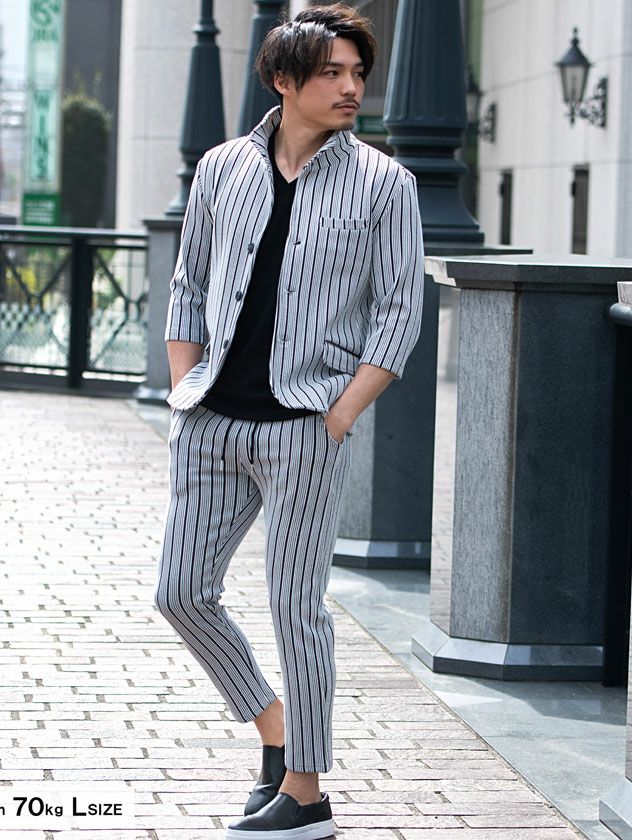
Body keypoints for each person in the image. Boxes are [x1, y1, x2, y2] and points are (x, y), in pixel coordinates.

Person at [154, 5, 424, 838]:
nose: (351, 88)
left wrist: (340, 414)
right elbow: (189, 284)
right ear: (283, 80)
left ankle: (306, 794)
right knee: (180, 593)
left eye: (357, 73)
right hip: (211, 420)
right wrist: (186, 388)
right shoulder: (222, 168)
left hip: (304, 425)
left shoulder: (385, 183)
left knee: (296, 607)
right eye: (332, 73)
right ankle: (276, 730)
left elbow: (400, 311)